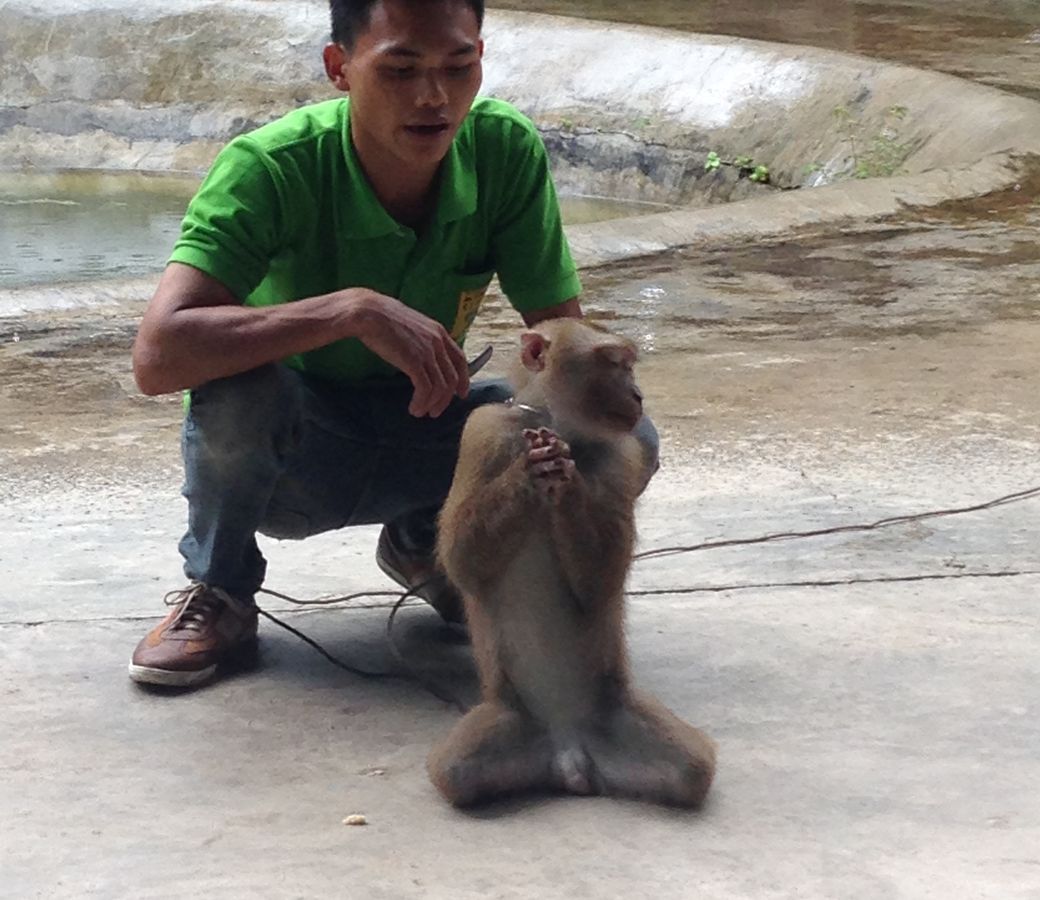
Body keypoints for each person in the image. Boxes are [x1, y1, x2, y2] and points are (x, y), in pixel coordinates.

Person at [127, 0, 655, 689]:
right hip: (296, 456)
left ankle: (436, 550)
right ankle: (220, 590)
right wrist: (351, 311)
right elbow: (158, 355)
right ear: (339, 67)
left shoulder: (503, 149)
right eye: (400, 70)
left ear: (481, 59)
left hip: (434, 430)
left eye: (457, 67)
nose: (434, 97)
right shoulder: (268, 167)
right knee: (238, 392)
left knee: (619, 431)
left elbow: (565, 346)